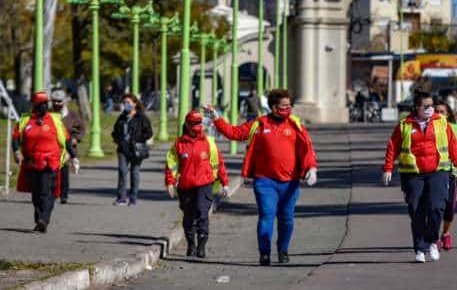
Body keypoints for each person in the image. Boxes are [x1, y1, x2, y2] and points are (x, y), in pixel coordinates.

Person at [204, 89, 317, 266]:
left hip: (290, 183)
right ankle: (264, 253)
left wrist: (311, 167)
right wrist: (217, 119)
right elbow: (235, 133)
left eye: (289, 105)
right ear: (273, 107)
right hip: (265, 182)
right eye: (283, 106)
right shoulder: (259, 124)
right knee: (267, 216)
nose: (288, 109)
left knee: (287, 218)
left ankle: (283, 250)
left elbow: (307, 147)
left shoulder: (295, 124)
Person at [383, 90, 457, 263]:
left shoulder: (441, 122)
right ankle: (420, 249)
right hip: (413, 174)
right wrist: (388, 168)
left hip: (438, 172)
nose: (430, 108)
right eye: (426, 106)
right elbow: (393, 145)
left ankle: (432, 242)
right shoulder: (405, 125)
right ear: (417, 107)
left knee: (437, 207)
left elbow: (453, 146)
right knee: (416, 210)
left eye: (432, 105)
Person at [166, 110, 230, 259]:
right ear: (187, 125)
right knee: (188, 216)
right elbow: (171, 164)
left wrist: (225, 182)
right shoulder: (179, 144)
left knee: (202, 212)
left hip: (205, 184)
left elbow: (219, 163)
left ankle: (201, 246)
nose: (198, 126)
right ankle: (191, 244)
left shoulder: (209, 142)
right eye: (194, 123)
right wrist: (170, 182)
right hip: (186, 186)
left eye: (199, 123)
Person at [12, 91, 77, 232]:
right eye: (40, 103)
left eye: (45, 103)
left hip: (50, 162)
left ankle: (43, 219)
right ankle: (39, 219)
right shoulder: (24, 120)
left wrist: (74, 156)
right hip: (31, 162)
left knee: (46, 192)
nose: (43, 106)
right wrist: (16, 151)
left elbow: (65, 140)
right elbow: (15, 138)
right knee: (36, 194)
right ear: (34, 105)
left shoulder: (55, 120)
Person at [111, 94, 153, 206]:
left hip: (136, 149)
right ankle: (121, 198)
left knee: (135, 173)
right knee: (122, 171)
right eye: (124, 103)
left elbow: (149, 133)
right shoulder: (122, 117)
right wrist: (117, 139)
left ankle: (133, 198)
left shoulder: (142, 117)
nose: (126, 105)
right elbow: (115, 130)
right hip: (122, 149)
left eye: (128, 102)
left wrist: (137, 139)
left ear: (135, 103)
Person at [433, 98, 457, 251]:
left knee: (450, 206)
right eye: (436, 111)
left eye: (442, 112)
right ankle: (435, 236)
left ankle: (446, 233)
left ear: (448, 114)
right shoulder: (430, 127)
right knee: (437, 206)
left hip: (451, 172)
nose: (438, 114)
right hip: (434, 172)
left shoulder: (455, 129)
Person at [50, 89, 86, 204]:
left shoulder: (72, 115)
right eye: (54, 101)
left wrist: (76, 138)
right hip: (52, 147)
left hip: (67, 147)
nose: (56, 104)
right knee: (53, 172)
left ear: (64, 102)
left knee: (64, 172)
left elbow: (82, 128)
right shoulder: (48, 114)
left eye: (59, 101)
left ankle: (64, 195)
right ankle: (53, 193)